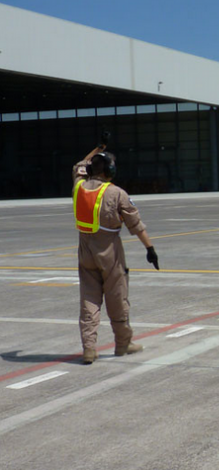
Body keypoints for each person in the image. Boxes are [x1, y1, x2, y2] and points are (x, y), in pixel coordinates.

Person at [73, 143, 159, 364]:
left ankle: (89, 349)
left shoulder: (79, 187)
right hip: (109, 251)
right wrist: (150, 249)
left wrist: (97, 148)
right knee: (116, 297)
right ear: (110, 170)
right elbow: (136, 225)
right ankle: (122, 344)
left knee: (89, 300)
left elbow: (79, 166)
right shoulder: (116, 193)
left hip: (85, 251)